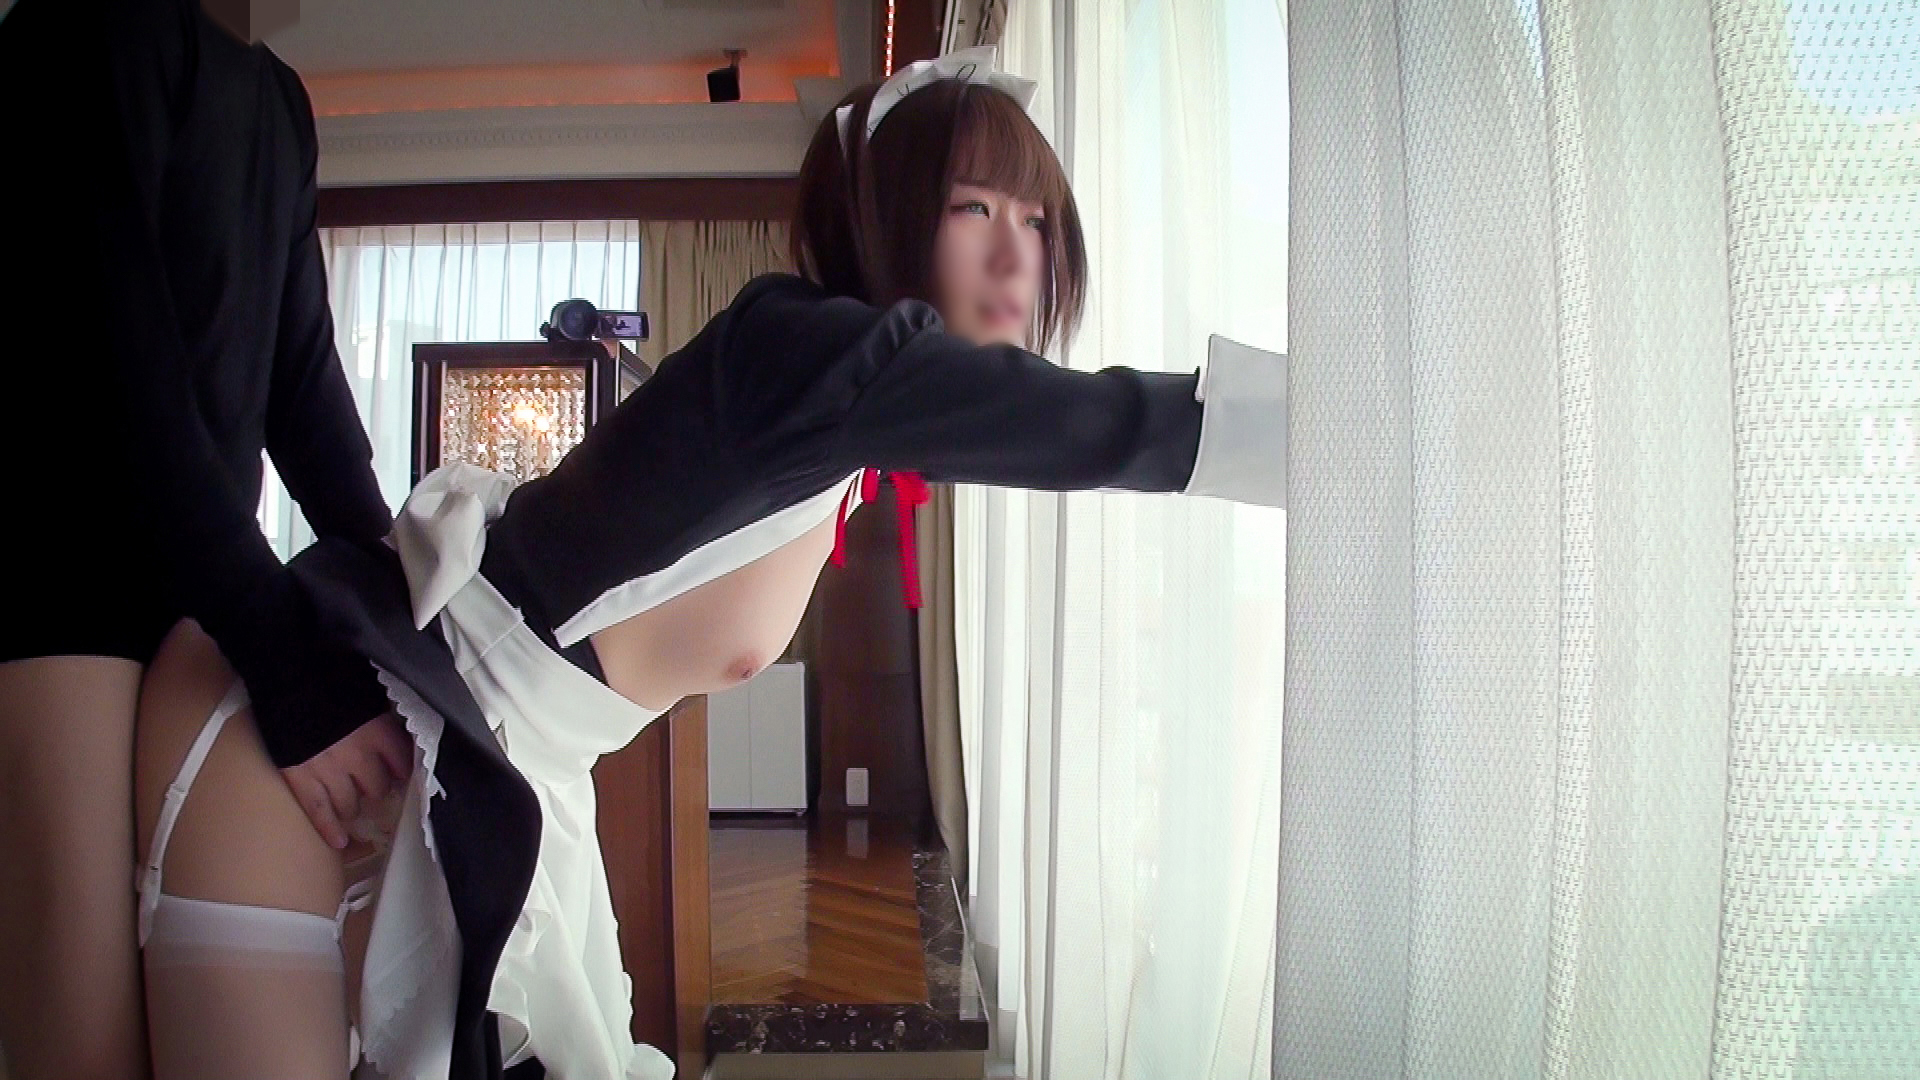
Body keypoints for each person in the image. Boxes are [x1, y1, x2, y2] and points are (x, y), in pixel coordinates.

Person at [127, 46, 1288, 1080]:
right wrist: (1336, 435)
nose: (1016, 254)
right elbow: (1100, 424)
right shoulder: (808, 350)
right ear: (887, 216)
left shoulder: (836, 417)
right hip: (326, 729)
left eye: (1037, 219)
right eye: (972, 207)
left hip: (473, 758)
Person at [0, 1, 414, 1077]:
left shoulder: (275, 97)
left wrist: (397, 592)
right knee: (84, 1033)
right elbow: (117, 367)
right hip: (64, 590)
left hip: (204, 596)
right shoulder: (64, 39)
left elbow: (303, 383)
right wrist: (285, 654)